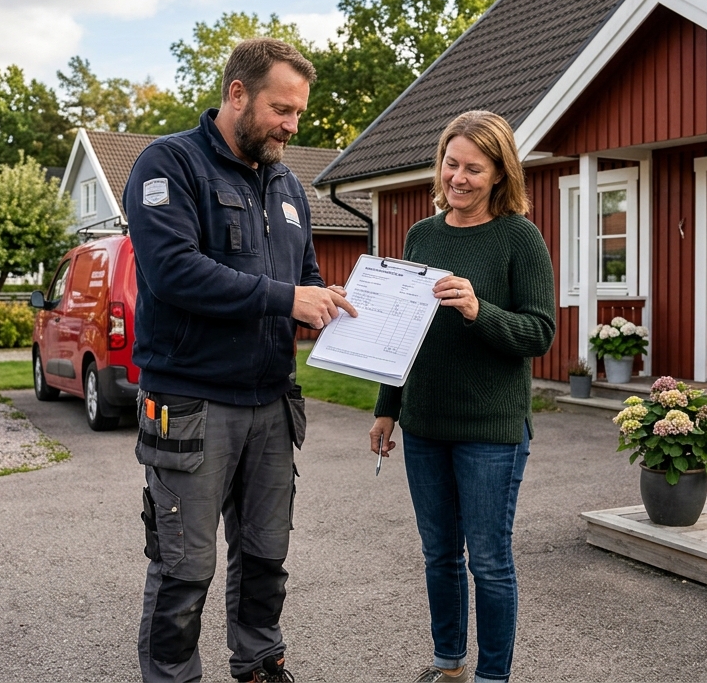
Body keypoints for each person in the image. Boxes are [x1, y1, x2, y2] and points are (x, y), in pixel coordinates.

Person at [123, 37, 356, 683]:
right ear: (236, 94)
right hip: (192, 405)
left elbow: (305, 275)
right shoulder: (167, 166)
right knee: (185, 566)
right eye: (282, 109)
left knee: (264, 556)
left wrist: (325, 308)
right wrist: (289, 298)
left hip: (270, 404)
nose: (292, 125)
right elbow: (174, 273)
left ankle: (259, 663)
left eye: (299, 113)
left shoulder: (287, 185)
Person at [368, 111, 556, 683]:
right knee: (439, 557)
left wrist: (479, 311)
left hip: (490, 430)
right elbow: (404, 331)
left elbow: (540, 332)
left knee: (490, 564)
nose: (460, 177)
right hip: (425, 424)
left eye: (475, 168)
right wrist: (386, 407)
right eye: (452, 164)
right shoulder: (422, 235)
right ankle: (448, 664)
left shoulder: (520, 237)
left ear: (500, 173)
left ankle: (491, 677)